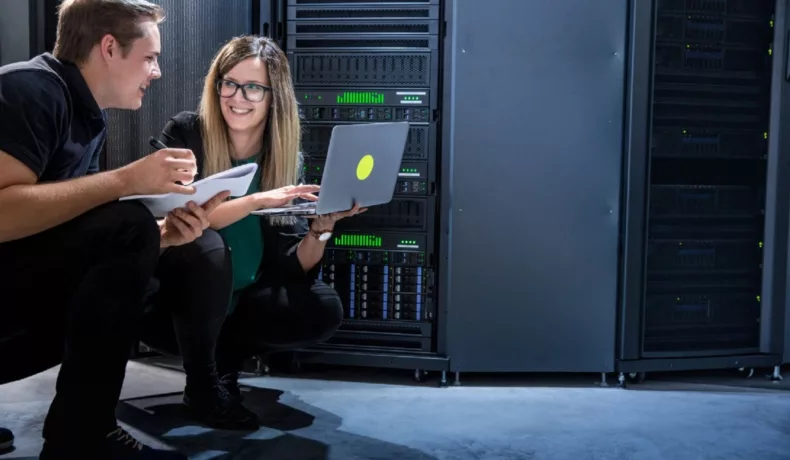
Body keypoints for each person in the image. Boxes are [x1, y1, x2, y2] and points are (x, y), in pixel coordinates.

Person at [0, 1, 229, 458]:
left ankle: (83, 430)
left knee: (139, 235)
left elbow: (60, 231)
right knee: (127, 224)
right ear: (109, 47)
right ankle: (83, 438)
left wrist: (159, 239)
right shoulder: (31, 91)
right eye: (149, 57)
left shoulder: (86, 114)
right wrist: (127, 181)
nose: (157, 71)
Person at [138, 35, 363, 429]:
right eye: (229, 83)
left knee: (321, 306)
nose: (237, 97)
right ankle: (204, 384)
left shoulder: (282, 154)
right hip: (175, 305)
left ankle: (224, 362)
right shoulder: (186, 134)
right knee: (206, 244)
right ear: (216, 85)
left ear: (273, 96)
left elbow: (293, 267)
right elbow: (184, 226)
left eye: (253, 87)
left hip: (244, 303)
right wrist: (257, 200)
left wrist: (320, 233)